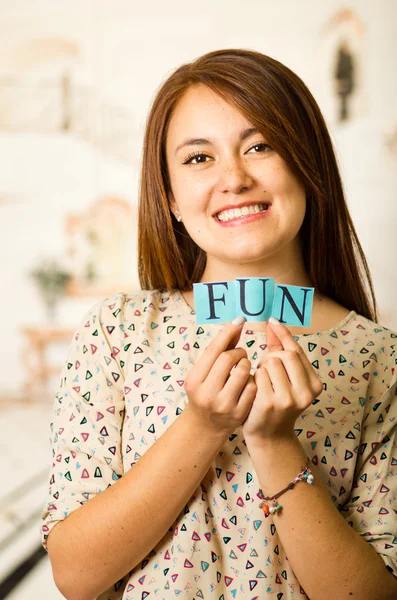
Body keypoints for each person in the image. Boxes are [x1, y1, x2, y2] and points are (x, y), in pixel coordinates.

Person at [40, 49, 397, 600]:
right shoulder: (117, 331)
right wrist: (202, 426)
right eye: (199, 158)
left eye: (261, 146)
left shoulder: (380, 359)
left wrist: (275, 443)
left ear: (308, 166)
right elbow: (76, 576)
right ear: (172, 200)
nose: (234, 177)